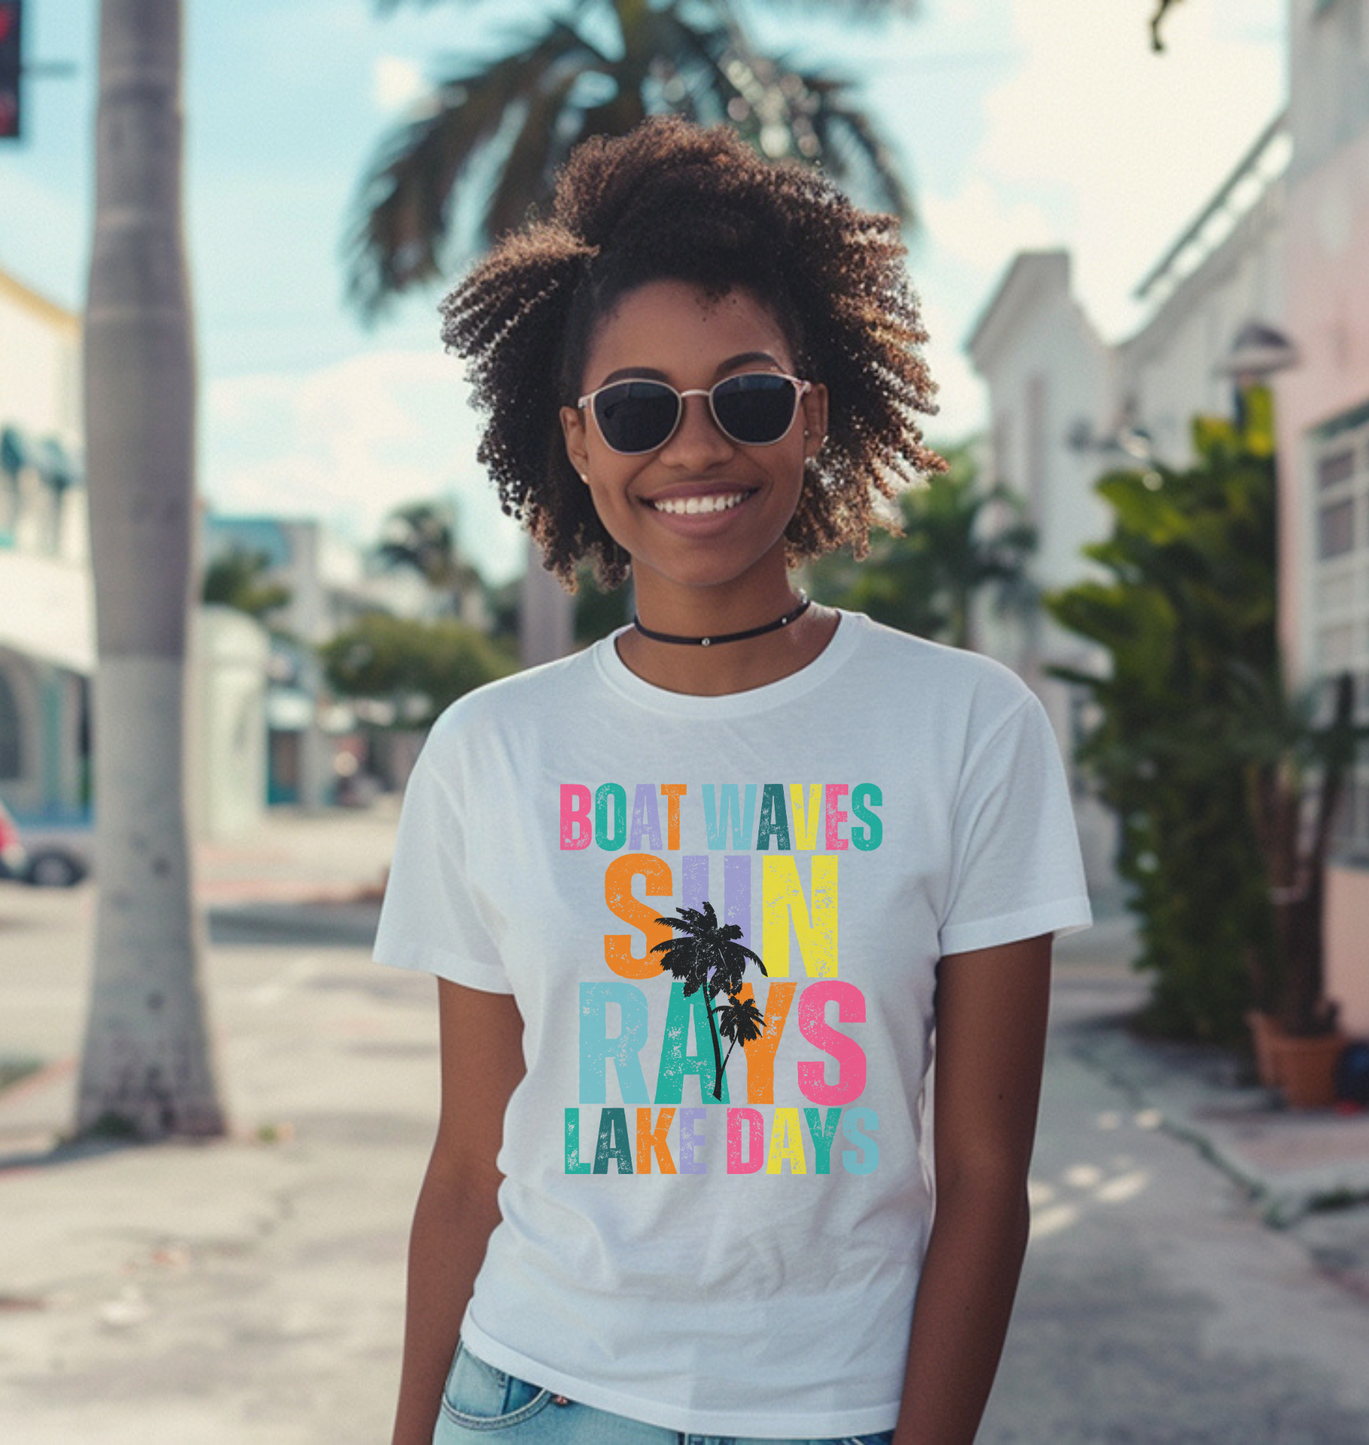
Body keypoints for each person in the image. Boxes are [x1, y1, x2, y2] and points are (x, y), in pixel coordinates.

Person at [373, 117, 1091, 1445]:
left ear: (812, 416)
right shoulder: (491, 750)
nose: (694, 447)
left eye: (747, 395)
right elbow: (471, 1167)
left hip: (839, 1408)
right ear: (580, 444)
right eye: (639, 408)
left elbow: (986, 1179)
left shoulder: (968, 726)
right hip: (531, 1394)